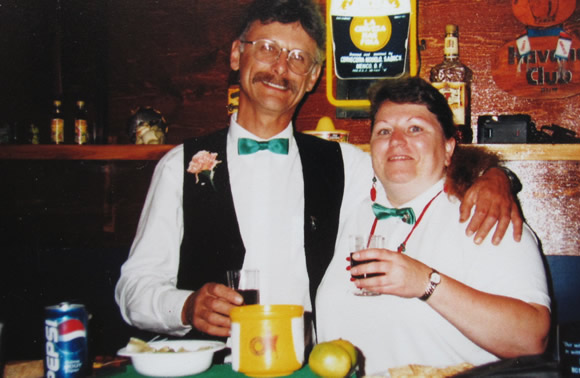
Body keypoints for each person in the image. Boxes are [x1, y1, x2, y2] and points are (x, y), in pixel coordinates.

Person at [115, 0, 522, 342]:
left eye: (298, 58)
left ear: (311, 77)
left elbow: (426, 171)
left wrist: (494, 177)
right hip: (211, 366)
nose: (280, 68)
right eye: (268, 48)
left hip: (310, 366)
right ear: (238, 54)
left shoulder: (348, 163)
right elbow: (133, 288)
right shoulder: (179, 166)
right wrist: (185, 307)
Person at [315, 77, 550, 374]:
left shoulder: (484, 213)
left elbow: (531, 339)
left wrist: (426, 284)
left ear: (449, 149)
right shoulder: (347, 206)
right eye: (384, 131)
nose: (397, 141)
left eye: (416, 128)